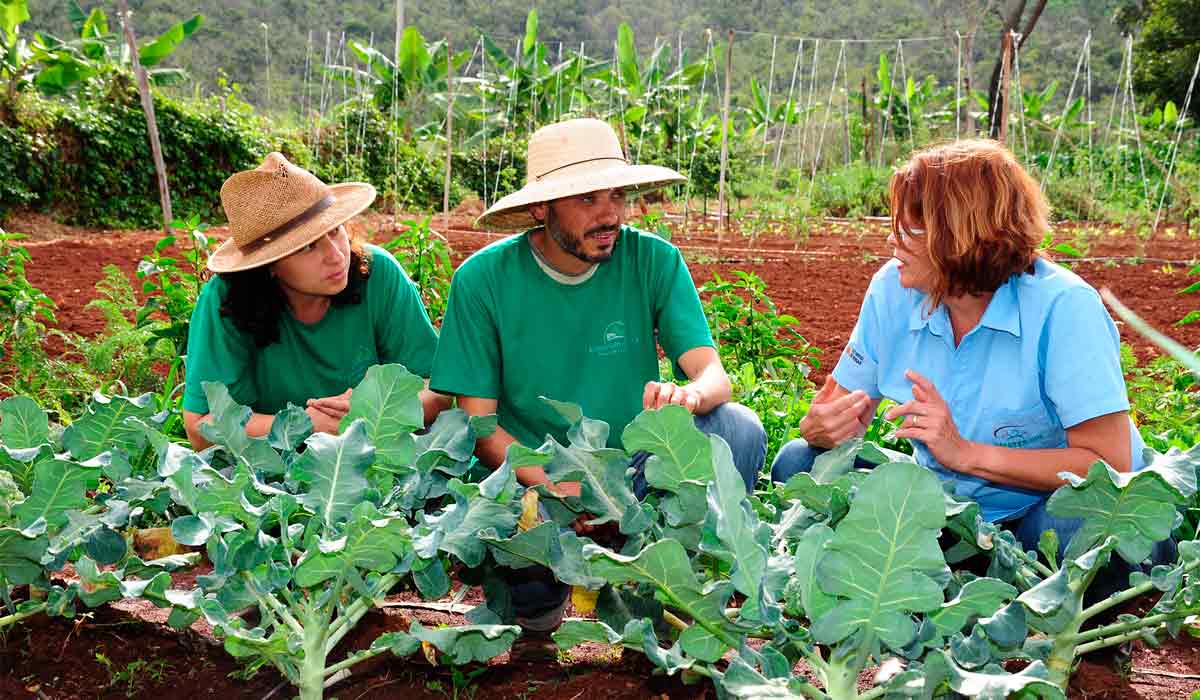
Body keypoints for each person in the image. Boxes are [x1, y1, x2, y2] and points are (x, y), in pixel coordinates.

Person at [430, 118, 766, 647]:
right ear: (542, 208)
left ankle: (681, 590)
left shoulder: (651, 259)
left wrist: (691, 393)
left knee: (737, 429)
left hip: (632, 474)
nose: (609, 214)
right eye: (588, 199)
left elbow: (712, 373)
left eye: (616, 195)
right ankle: (538, 606)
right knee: (529, 597)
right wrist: (555, 485)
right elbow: (481, 426)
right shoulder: (483, 280)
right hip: (535, 482)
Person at [772, 139, 1148, 555]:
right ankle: (963, 562)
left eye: (912, 226)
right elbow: (843, 410)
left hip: (1039, 507)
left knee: (1083, 526)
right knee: (798, 464)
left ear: (961, 236)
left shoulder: (1064, 308)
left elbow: (1110, 463)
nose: (892, 240)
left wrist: (966, 454)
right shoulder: (892, 290)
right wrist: (822, 428)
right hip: (944, 506)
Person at [182, 152, 449, 450]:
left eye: (335, 231)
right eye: (308, 246)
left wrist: (376, 410)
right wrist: (305, 426)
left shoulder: (378, 274)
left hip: (376, 461)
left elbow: (438, 388)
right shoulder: (225, 300)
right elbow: (201, 425)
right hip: (267, 476)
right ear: (267, 265)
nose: (336, 255)